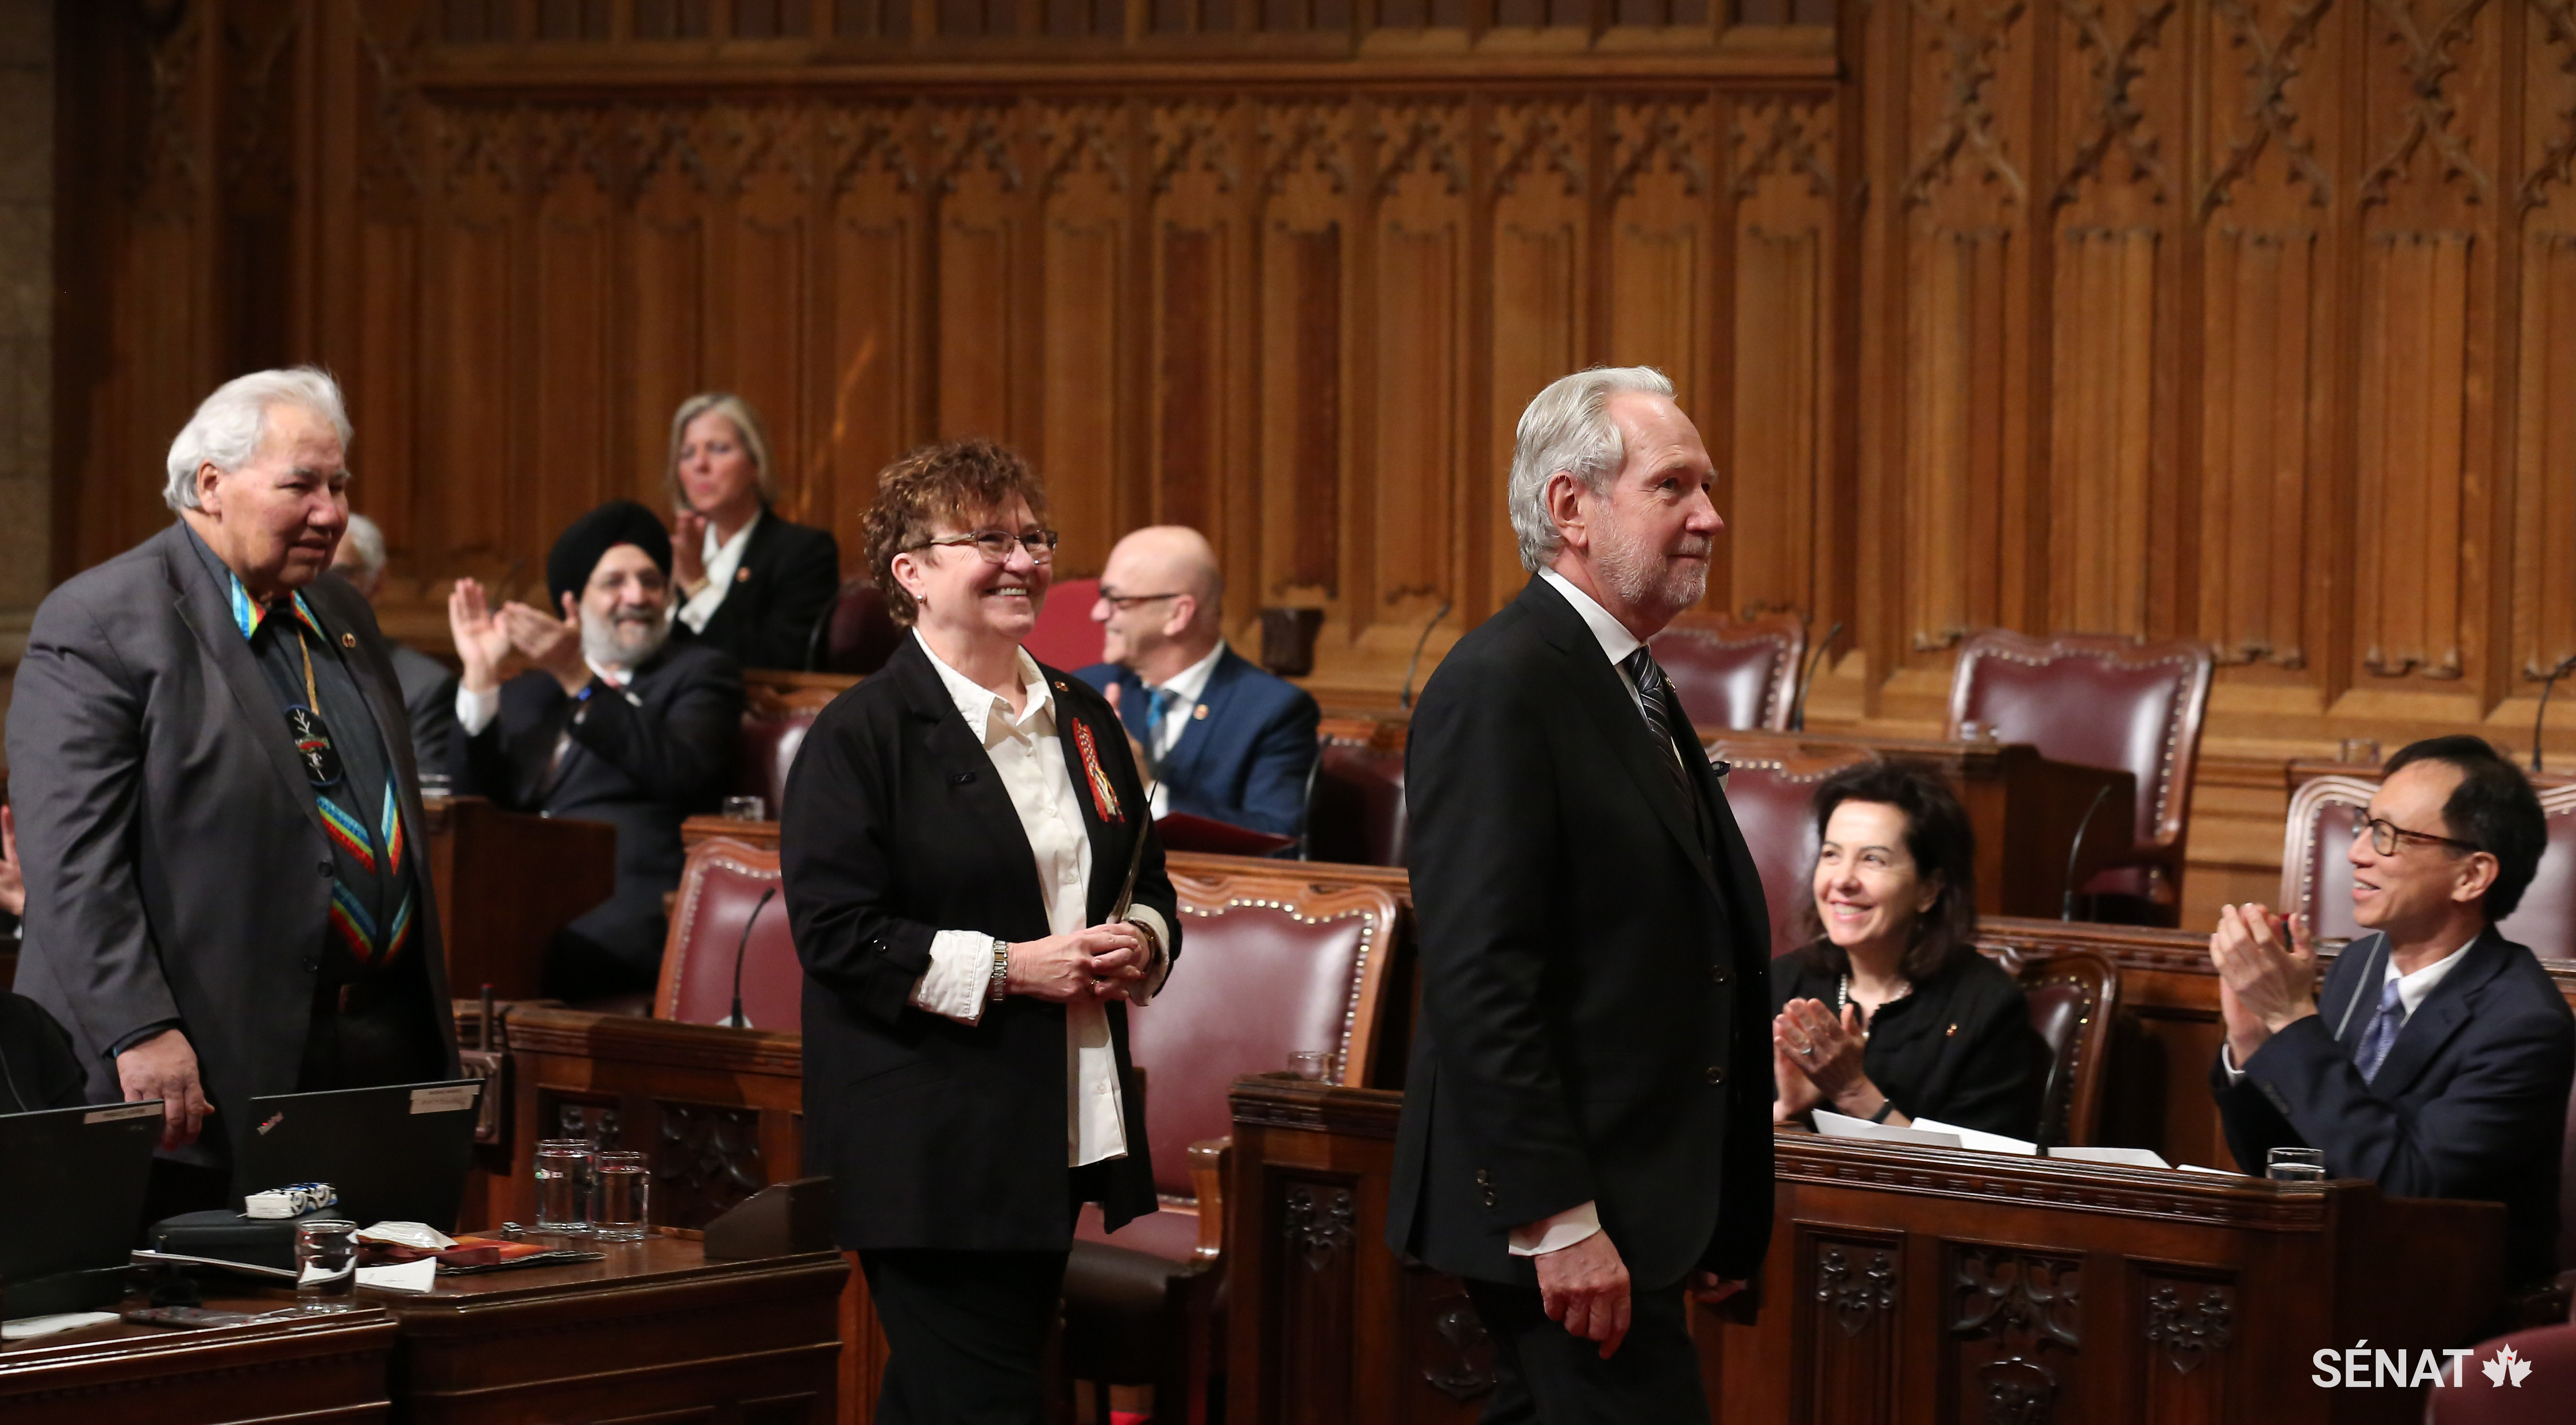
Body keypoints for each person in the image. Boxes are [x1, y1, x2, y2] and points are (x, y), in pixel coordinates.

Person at [1385, 366, 1774, 1422]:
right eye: (1673, 486)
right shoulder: (1502, 682)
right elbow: (1479, 977)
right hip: (1566, 1207)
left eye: (1707, 485)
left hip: (1641, 1198)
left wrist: (1723, 1208)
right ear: (1571, 506)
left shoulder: (1624, 677)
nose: (1710, 515)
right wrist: (1556, 1219)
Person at [780, 438, 1179, 1425]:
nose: (1023, 559)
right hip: (929, 1142)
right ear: (909, 574)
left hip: (1051, 1127)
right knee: (991, 1398)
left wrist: (1141, 939)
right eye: (987, 539)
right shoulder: (859, 735)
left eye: (1034, 537)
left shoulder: (1083, 715)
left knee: (943, 1397)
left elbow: (1146, 878)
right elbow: (837, 932)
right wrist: (1013, 968)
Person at [7, 368, 457, 1209]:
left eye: (339, 485)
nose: (332, 512)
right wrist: (139, 1027)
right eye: (302, 485)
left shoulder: (344, 615)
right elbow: (71, 862)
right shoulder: (104, 621)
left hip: (363, 1060)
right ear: (211, 486)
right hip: (195, 1076)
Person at [2209, 735, 2575, 1288]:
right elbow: (2287, 1159)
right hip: (2331, 1270)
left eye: (2388, 837)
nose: (2355, 852)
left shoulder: (2523, 1023)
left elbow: (2406, 1187)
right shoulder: (2358, 966)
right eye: (2363, 823)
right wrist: (2253, 1044)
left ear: (2471, 875)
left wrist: (2290, 1018)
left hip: (2444, 1303)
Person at [448, 500, 745, 1002]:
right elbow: (471, 807)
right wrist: (479, 676)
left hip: (622, 906)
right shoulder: (529, 692)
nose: (637, 597)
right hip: (513, 902)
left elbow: (684, 772)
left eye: (651, 581)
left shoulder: (699, 675)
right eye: (614, 584)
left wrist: (580, 681)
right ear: (573, 604)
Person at [1770, 761, 2046, 1140]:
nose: (1843, 880)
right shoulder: (1783, 983)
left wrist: (1855, 1093)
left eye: (1873, 859)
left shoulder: (1985, 1009)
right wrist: (1786, 1112)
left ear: (1929, 889)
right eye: (1832, 854)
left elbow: (1980, 1180)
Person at [1074, 525, 1320, 839]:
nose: (1098, 613)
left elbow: (1278, 839)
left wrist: (1147, 791)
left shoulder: (1273, 710)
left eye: (1116, 599)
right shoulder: (1084, 690)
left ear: (1178, 614)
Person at [664, 393, 843, 671]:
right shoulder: (672, 554)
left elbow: (777, 663)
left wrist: (698, 588)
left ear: (755, 464)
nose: (700, 465)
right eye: (688, 454)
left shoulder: (803, 551)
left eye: (719, 449)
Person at [331, 513, 463, 780]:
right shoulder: (272, 662)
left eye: (339, 574)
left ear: (377, 583)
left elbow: (428, 803)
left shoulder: (424, 686)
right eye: (311, 569)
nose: (318, 586)